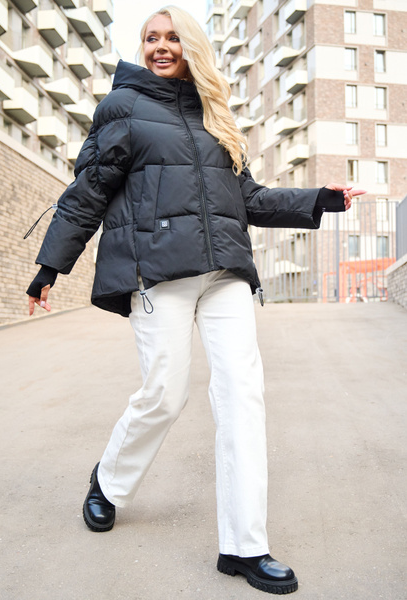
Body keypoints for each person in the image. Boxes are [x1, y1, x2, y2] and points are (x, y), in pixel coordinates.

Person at [27, 6, 364, 595]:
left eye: (172, 37)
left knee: (242, 395)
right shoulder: (124, 107)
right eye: (150, 38)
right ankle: (109, 481)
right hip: (158, 273)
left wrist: (320, 199)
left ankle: (244, 546)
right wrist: (50, 264)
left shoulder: (216, 114)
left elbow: (248, 198)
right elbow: (89, 189)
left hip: (225, 273)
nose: (161, 46)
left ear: (192, 46)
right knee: (164, 393)